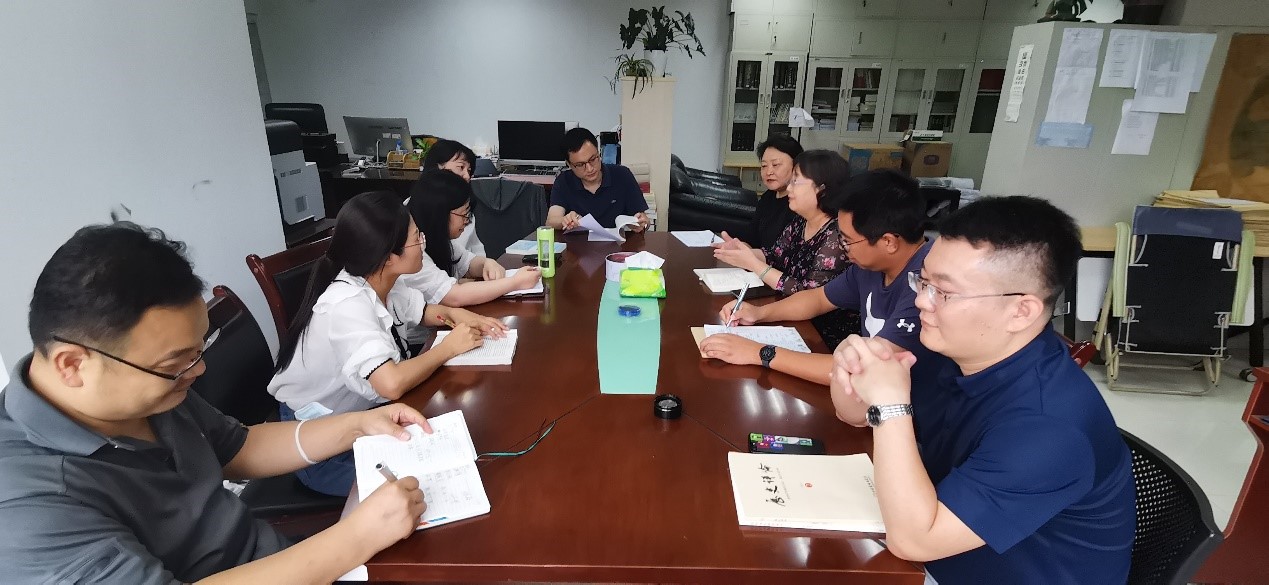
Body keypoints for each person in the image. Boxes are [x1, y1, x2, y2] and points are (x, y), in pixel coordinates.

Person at [0, 221, 431, 583]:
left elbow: (238, 447)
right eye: (175, 362)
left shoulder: (146, 392)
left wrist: (356, 426)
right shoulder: (28, 507)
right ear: (73, 365)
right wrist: (356, 537)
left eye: (197, 351)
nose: (198, 369)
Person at [828, 196, 1134, 584]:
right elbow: (853, 415)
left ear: (1021, 311)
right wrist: (851, 366)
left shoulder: (1049, 428)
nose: (921, 301)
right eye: (922, 281)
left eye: (944, 292)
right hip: (934, 550)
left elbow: (913, 542)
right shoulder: (951, 347)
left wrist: (890, 405)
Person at [269, 191, 505, 496]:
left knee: (460, 446)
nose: (423, 244)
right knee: (428, 483)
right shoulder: (347, 304)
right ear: (388, 256)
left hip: (364, 419)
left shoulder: (382, 281)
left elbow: (428, 312)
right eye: (416, 238)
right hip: (321, 446)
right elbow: (390, 383)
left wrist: (463, 317)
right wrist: (448, 348)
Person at [702, 170, 928, 398]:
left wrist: (760, 353)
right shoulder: (869, 267)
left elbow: (863, 369)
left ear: (888, 242)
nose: (843, 249)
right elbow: (818, 299)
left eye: (847, 241)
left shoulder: (925, 285)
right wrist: (759, 313)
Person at [712, 149, 858, 348]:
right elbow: (774, 256)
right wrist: (742, 251)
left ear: (822, 189)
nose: (789, 188)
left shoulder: (836, 235)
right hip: (789, 316)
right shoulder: (801, 221)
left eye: (796, 181)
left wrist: (753, 264)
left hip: (824, 336)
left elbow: (807, 293)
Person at [545, 127, 650, 231]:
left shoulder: (622, 175)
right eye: (580, 164)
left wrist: (641, 223)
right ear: (569, 164)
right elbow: (551, 221)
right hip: (579, 241)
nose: (589, 169)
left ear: (599, 153)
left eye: (592, 159)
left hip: (616, 241)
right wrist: (565, 220)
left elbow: (642, 219)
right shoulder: (563, 181)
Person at [421, 138, 485, 257]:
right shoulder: (415, 209)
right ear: (438, 167)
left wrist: (485, 264)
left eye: (469, 171)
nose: (467, 176)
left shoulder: (465, 208)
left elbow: (476, 248)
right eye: (461, 167)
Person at [748, 133, 804, 249]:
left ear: (796, 166)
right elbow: (752, 241)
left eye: (776, 165)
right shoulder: (767, 197)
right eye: (764, 166)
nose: (768, 172)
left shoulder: (801, 206)